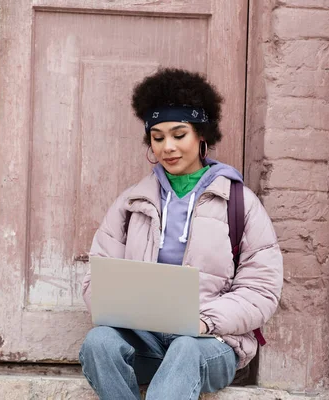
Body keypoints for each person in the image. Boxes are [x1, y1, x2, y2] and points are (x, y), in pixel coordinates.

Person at [79, 68, 283, 399]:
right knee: (99, 342)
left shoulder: (240, 203)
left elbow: (262, 288)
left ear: (201, 135)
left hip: (208, 343)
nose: (168, 147)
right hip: (144, 338)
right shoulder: (131, 203)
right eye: (158, 138)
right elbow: (96, 275)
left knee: (186, 348)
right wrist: (120, 309)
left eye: (179, 134)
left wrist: (204, 322)